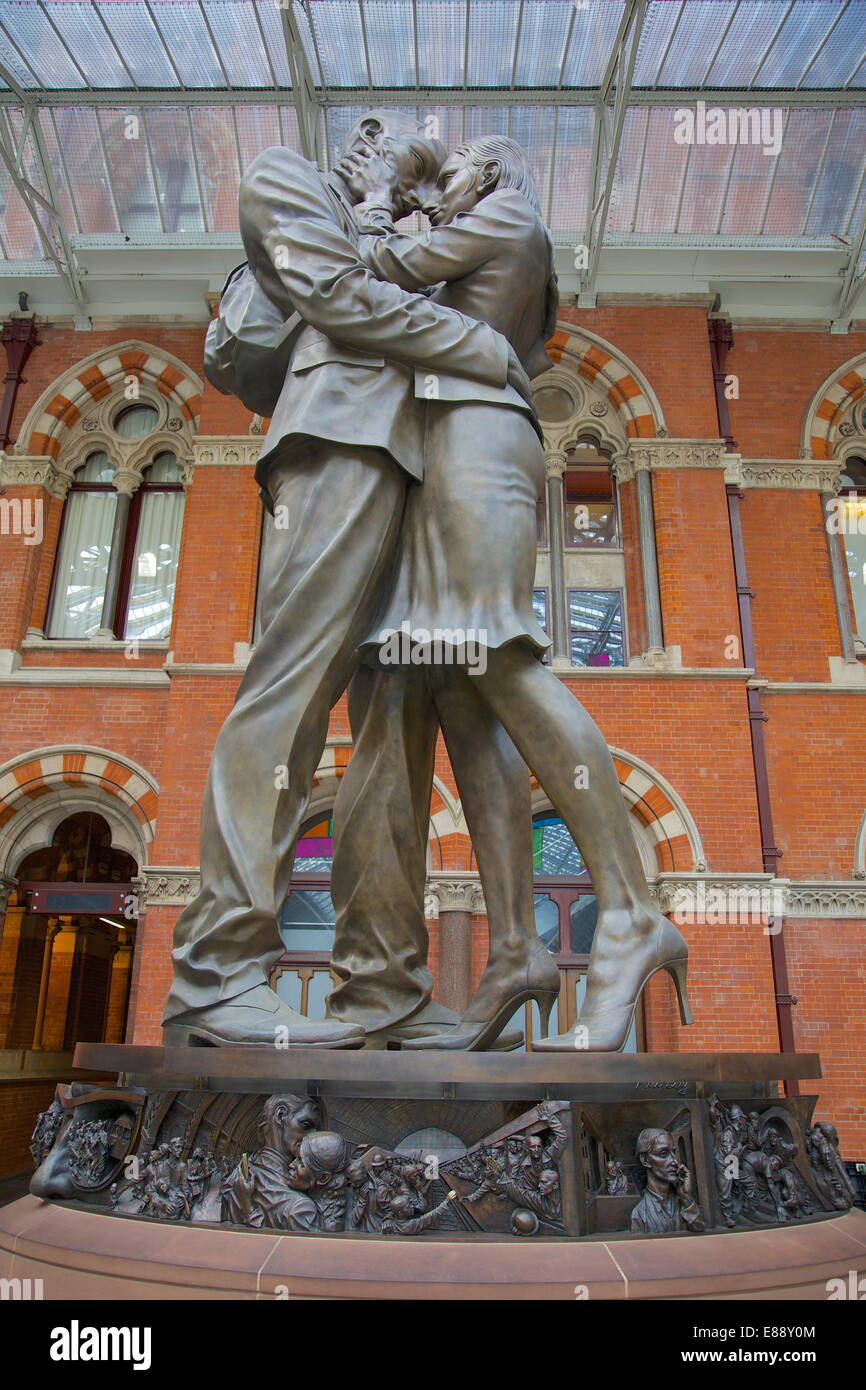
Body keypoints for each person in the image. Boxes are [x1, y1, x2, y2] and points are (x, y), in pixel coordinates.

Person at [162, 110, 534, 1048]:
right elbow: (333, 292)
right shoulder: (286, 176)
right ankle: (217, 970)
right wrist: (476, 350)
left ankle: (384, 989)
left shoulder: (410, 232)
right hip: (336, 442)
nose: (425, 182)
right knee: (288, 687)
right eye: (414, 161)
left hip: (420, 469)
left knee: (396, 732)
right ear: (367, 137)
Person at [326, 136, 691, 1051]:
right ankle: (518, 950)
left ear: (488, 174)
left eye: (450, 176)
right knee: (459, 683)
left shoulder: (504, 214)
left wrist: (380, 195)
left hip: (479, 440)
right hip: (453, 442)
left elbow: (371, 272)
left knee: (493, 651)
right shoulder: (491, 241)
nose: (438, 190)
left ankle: (631, 914)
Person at [630, 1128, 703, 1234]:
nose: (674, 1161)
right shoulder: (639, 1214)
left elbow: (699, 1229)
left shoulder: (683, 1202)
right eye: (664, 1153)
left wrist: (686, 1197)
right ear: (645, 1160)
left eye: (673, 1152)